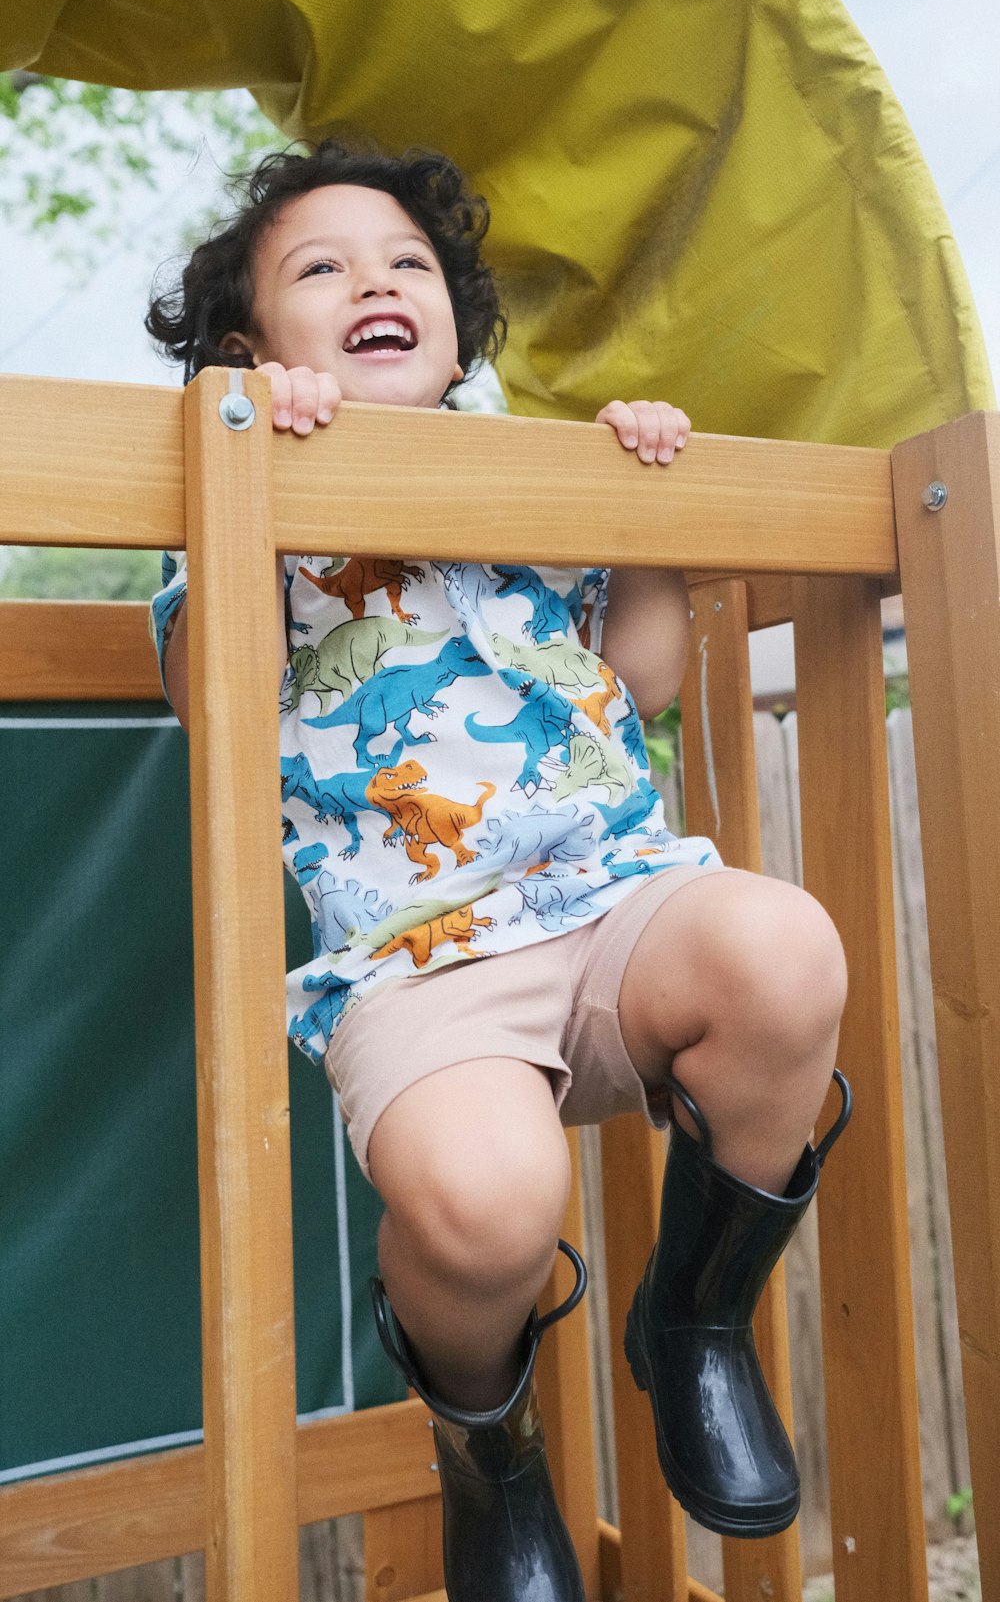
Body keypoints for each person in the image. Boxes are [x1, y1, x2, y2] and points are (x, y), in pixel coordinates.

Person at [148, 139, 850, 1601]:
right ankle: (491, 1441)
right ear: (246, 347)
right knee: (489, 1198)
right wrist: (248, 451)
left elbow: (637, 679)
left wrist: (634, 509)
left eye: (408, 262)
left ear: (457, 325)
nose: (376, 282)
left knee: (786, 946)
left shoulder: (522, 469)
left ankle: (698, 1317)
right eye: (321, 268)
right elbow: (205, 692)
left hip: (615, 907)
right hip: (419, 962)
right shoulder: (242, 479)